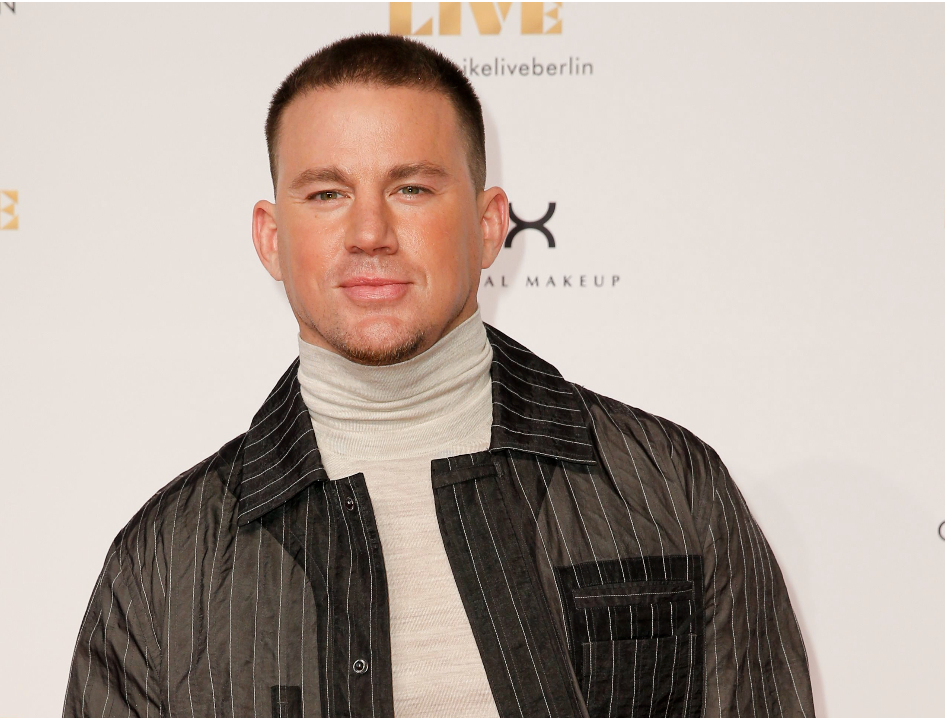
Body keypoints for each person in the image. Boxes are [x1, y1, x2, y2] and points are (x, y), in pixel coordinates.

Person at [63, 32, 814, 718]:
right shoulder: (165, 564)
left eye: (411, 189)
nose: (370, 233)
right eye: (326, 194)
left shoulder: (670, 487)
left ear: (489, 227)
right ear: (270, 238)